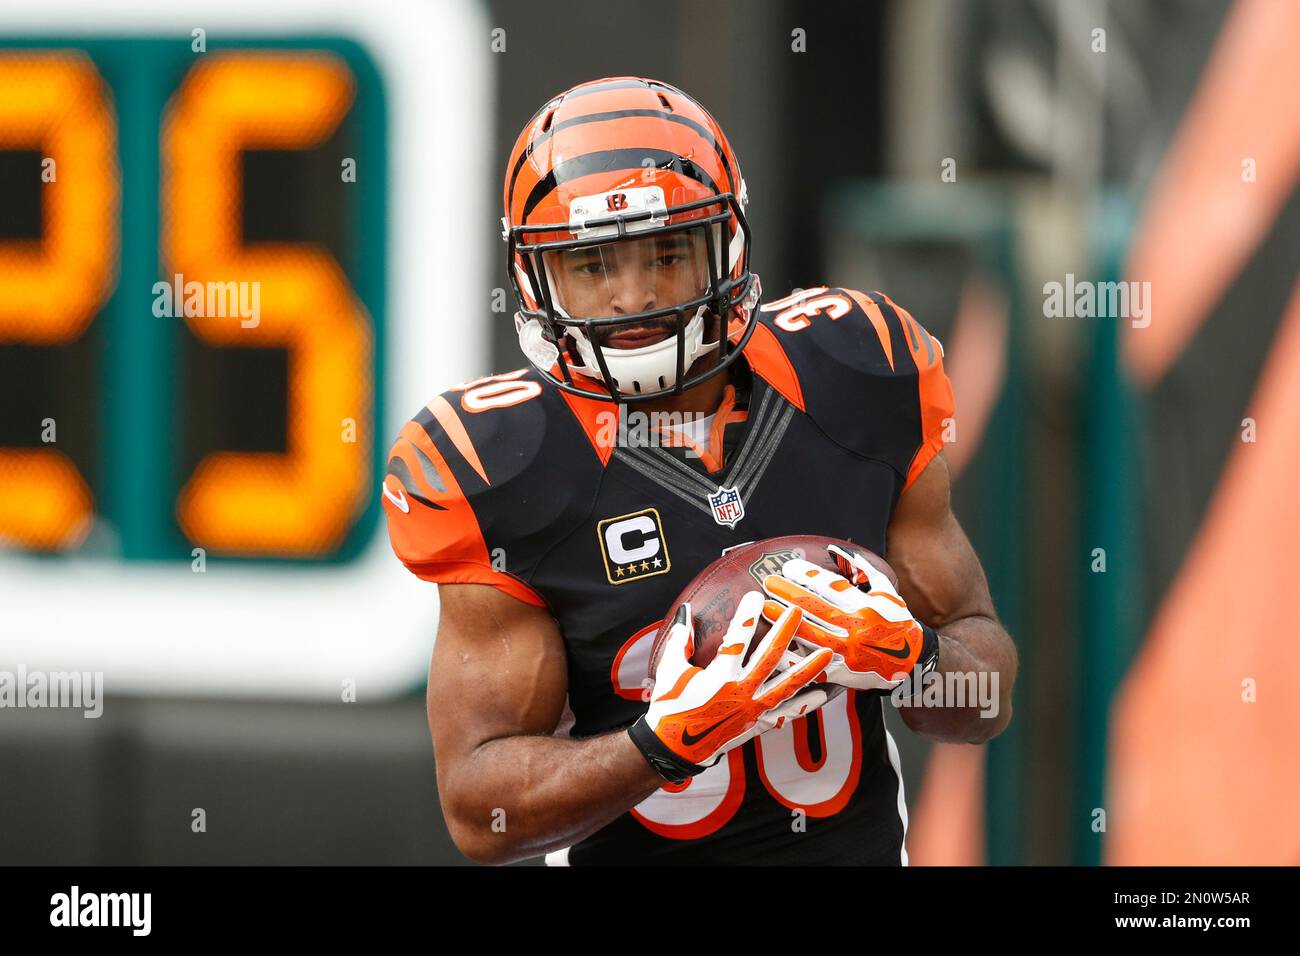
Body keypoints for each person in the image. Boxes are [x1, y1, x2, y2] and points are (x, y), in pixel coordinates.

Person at [383, 76, 1017, 865]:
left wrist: (913, 657)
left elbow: (984, 700)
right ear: (536, 277)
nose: (633, 296)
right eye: (591, 264)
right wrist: (665, 743)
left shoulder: (856, 374)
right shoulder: (506, 465)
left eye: (668, 253)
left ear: (729, 244)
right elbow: (481, 813)